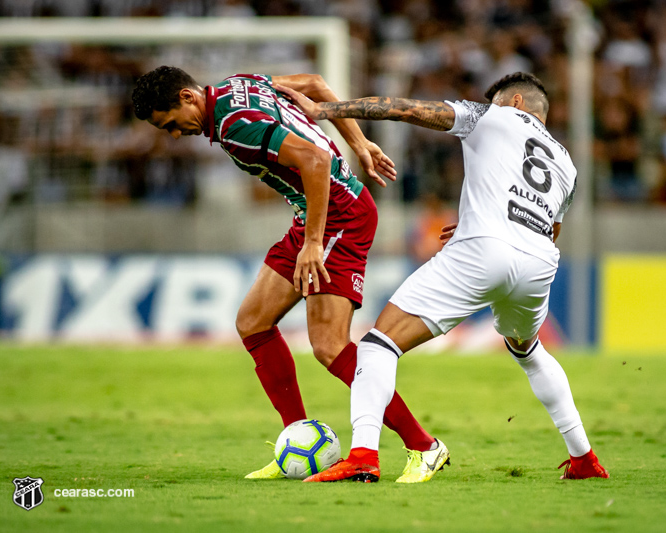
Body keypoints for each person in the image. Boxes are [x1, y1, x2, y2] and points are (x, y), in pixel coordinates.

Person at [276, 72, 609, 482]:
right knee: (528, 350)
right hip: (538, 262)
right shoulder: (567, 165)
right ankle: (584, 458)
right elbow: (549, 227)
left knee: (379, 345)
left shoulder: (490, 115)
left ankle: (363, 455)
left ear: (517, 102)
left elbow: (405, 109)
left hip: (484, 250)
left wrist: (323, 109)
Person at [132, 67, 449, 483]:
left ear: (189, 97)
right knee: (252, 322)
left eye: (171, 124)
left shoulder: (234, 125)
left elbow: (314, 160)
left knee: (330, 346)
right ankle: (296, 440)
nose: (175, 134)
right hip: (315, 215)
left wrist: (313, 243)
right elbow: (316, 85)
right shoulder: (240, 84)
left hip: (339, 217)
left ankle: (424, 446)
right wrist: (358, 143)